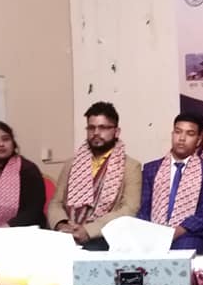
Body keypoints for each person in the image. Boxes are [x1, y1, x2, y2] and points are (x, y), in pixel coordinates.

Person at [48, 102, 142, 250]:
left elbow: (129, 209)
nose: (96, 133)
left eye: (103, 127)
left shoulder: (130, 167)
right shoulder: (71, 164)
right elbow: (56, 202)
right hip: (67, 235)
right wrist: (62, 224)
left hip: (104, 238)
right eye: (91, 128)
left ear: (116, 132)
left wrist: (89, 230)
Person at [138, 113, 203, 251]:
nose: (182, 138)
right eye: (178, 132)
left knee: (182, 251)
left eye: (190, 134)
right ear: (172, 134)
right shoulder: (151, 169)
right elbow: (143, 208)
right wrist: (151, 232)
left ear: (198, 140)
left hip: (190, 234)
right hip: (153, 232)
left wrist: (178, 230)